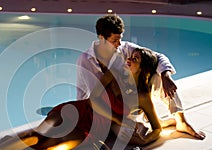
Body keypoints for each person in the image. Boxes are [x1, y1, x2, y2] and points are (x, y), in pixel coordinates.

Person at [0, 47, 162, 150]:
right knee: (36, 136)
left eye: (135, 59)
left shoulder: (143, 96)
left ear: (144, 69)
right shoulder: (113, 74)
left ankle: (12, 143)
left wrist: (144, 142)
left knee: (46, 147)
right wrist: (118, 119)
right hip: (78, 109)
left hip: (93, 130)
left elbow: (157, 128)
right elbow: (93, 100)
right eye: (131, 56)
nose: (129, 60)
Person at [76, 14, 205, 140]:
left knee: (158, 79)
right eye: (114, 40)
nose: (119, 43)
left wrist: (166, 75)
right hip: (99, 107)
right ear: (102, 38)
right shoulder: (86, 61)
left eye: (120, 38)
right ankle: (150, 122)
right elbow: (99, 97)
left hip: (123, 99)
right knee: (129, 134)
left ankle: (181, 121)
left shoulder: (125, 48)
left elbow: (157, 56)